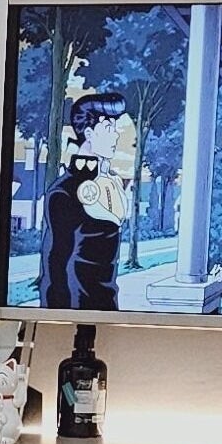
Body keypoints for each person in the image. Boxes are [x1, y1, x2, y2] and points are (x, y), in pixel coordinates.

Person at [39, 90, 138, 312]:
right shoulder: (65, 191)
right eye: (108, 128)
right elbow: (56, 264)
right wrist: (57, 320)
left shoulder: (113, 182)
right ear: (90, 133)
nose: (115, 136)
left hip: (107, 307)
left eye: (116, 128)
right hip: (76, 308)